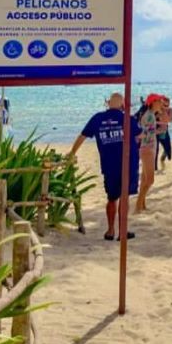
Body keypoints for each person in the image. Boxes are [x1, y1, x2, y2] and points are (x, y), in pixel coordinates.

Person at [67, 92, 138, 240]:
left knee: (112, 198)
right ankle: (122, 231)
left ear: (108, 103)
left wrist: (72, 152)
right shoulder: (128, 119)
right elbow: (140, 135)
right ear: (123, 105)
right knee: (124, 197)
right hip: (127, 164)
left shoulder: (98, 118)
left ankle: (110, 230)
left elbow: (82, 136)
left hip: (109, 164)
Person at [135, 94, 167, 212]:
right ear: (153, 102)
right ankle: (138, 206)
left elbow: (148, 132)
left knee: (145, 180)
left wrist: (158, 129)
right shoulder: (149, 116)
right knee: (150, 180)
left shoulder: (150, 115)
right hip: (147, 148)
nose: (162, 103)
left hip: (148, 147)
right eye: (160, 101)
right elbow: (145, 133)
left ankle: (142, 206)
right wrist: (160, 130)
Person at [155, 96, 172, 172]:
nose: (166, 107)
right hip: (156, 131)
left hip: (164, 131)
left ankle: (162, 160)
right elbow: (152, 120)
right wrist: (161, 120)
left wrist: (164, 112)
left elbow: (170, 120)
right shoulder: (157, 110)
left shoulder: (170, 110)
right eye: (164, 105)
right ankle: (155, 168)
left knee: (168, 149)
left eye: (167, 105)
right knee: (156, 149)